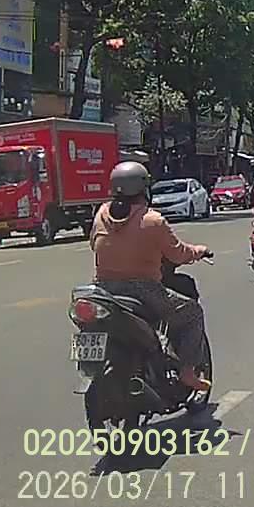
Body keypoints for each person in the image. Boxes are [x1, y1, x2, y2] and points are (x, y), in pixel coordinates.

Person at [89, 162, 211, 391]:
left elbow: (93, 244)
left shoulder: (101, 214)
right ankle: (187, 372)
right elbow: (178, 253)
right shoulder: (153, 220)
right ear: (143, 188)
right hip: (143, 290)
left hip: (103, 290)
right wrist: (199, 251)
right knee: (192, 312)